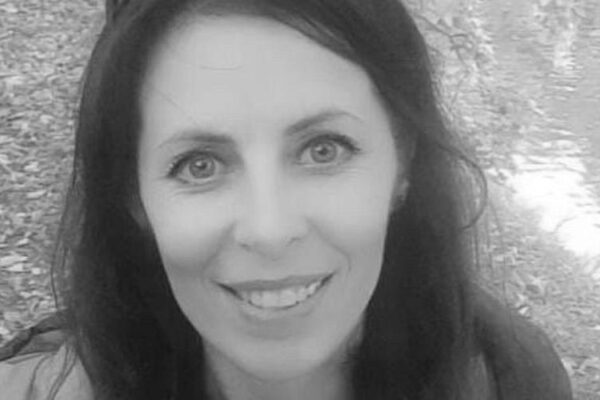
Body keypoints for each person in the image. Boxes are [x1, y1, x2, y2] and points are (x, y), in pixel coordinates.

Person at [0, 0, 573, 399]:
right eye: (200, 165)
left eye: (324, 150)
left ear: (402, 164)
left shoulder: (510, 379)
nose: (269, 230)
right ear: (134, 197)